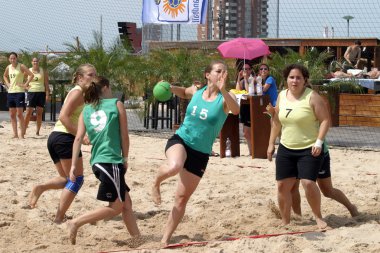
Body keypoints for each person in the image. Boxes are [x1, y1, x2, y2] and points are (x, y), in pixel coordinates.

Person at [151, 60, 240, 246]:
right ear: (208, 75)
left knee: (181, 199)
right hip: (181, 140)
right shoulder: (197, 91)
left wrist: (224, 90)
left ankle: (165, 239)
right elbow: (184, 92)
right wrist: (168, 86)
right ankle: (156, 182)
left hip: (201, 152)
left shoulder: (226, 97)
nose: (222, 74)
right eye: (218, 71)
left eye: (225, 72)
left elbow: (235, 110)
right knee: (175, 165)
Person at [67, 76, 140, 245]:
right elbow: (124, 136)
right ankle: (75, 222)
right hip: (110, 161)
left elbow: (78, 139)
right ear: (106, 87)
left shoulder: (86, 109)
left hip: (98, 161)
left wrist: (72, 166)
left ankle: (137, 239)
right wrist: (126, 158)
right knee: (116, 207)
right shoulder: (116, 104)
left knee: (127, 203)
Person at [29, 63, 96, 224]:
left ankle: (41, 187)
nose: (94, 78)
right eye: (90, 75)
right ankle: (59, 217)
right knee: (76, 179)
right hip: (64, 138)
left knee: (67, 179)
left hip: (56, 138)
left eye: (95, 75)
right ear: (80, 77)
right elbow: (63, 117)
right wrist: (81, 136)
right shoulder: (78, 92)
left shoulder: (81, 93)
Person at [267, 64, 330, 230]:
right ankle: (286, 222)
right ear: (286, 79)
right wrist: (270, 143)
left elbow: (325, 120)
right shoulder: (281, 95)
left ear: (305, 80)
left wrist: (318, 142)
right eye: (291, 77)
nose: (294, 80)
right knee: (283, 186)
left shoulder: (312, 97)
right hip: (286, 148)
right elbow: (277, 121)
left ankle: (318, 218)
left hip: (309, 148)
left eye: (298, 77)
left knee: (308, 183)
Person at [290, 142, 359, 218]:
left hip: (316, 152)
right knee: (293, 187)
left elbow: (323, 131)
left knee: (327, 191)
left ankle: (351, 208)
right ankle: (298, 217)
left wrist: (318, 143)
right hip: (293, 152)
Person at [2, 52, 34, 138]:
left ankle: (22, 134)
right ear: (9, 59)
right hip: (10, 93)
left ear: (16, 58)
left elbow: (31, 75)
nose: (12, 60)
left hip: (19, 92)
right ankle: (15, 134)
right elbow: (4, 76)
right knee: (12, 114)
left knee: (19, 114)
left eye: (14, 58)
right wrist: (7, 84)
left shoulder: (21, 66)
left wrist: (25, 84)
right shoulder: (8, 67)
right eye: (11, 58)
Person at [24, 57, 50, 136]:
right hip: (31, 93)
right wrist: (26, 87)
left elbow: (46, 84)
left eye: (37, 61)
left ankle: (37, 131)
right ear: (32, 62)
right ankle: (24, 130)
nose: (35, 62)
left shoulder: (43, 71)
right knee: (28, 112)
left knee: (39, 113)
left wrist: (47, 94)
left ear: (39, 62)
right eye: (34, 61)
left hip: (41, 93)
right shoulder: (29, 70)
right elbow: (22, 79)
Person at [235, 63, 255, 155]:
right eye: (244, 69)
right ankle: (251, 151)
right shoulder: (242, 80)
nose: (246, 71)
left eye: (247, 69)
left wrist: (246, 79)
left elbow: (249, 91)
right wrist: (239, 78)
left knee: (248, 131)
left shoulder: (253, 79)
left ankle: (253, 151)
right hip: (243, 107)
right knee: (246, 132)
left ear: (251, 70)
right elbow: (237, 90)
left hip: (251, 107)